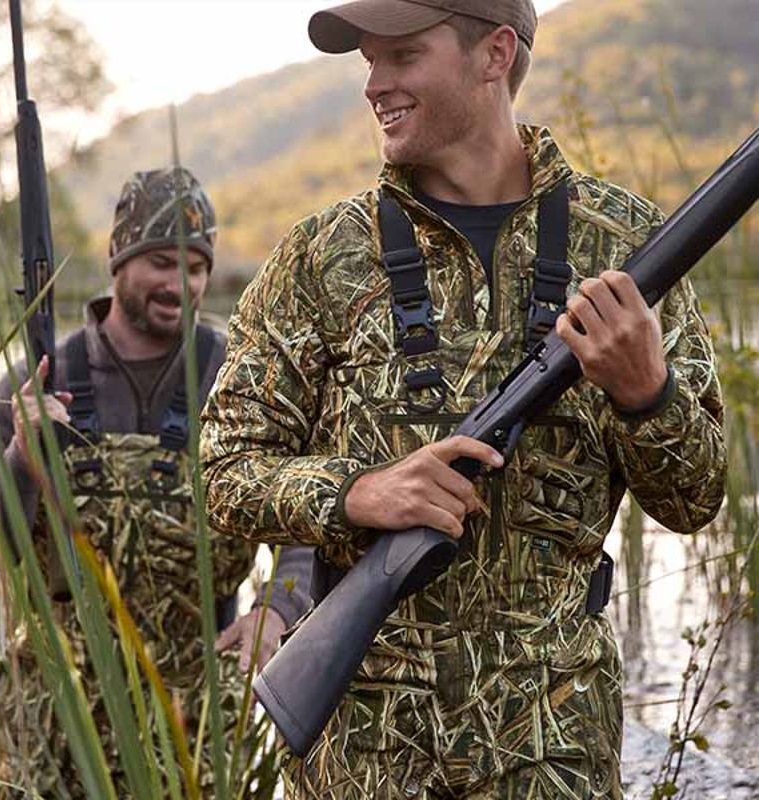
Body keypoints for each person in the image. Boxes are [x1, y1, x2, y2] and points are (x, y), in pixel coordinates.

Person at [200, 1, 727, 798]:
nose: (375, 84)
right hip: (366, 758)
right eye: (368, 62)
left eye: (402, 56)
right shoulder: (318, 258)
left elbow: (698, 499)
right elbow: (223, 472)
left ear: (495, 53)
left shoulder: (626, 245)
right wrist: (359, 492)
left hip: (553, 752)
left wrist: (644, 392)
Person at [0, 167, 312, 797]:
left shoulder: (239, 378)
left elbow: (305, 519)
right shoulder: (32, 379)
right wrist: (20, 458)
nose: (182, 284)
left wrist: (278, 607)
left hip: (194, 722)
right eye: (159, 261)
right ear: (117, 259)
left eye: (197, 266)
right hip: (49, 719)